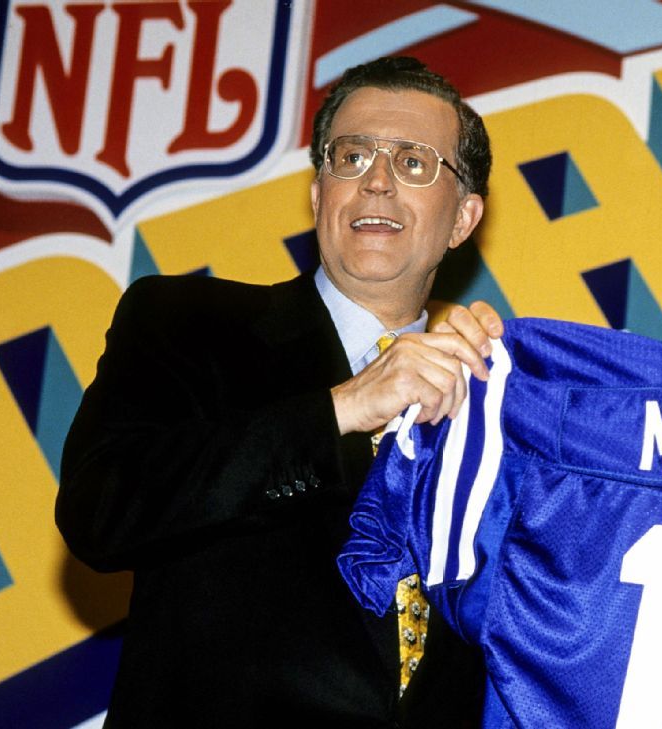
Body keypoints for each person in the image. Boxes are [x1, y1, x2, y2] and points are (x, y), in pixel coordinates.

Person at [57, 57, 497, 727]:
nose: (376, 182)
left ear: (463, 218)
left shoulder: (495, 408)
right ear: (320, 193)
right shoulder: (185, 323)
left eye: (414, 163)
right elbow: (102, 511)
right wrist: (339, 408)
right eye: (351, 156)